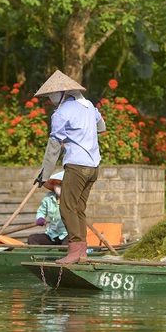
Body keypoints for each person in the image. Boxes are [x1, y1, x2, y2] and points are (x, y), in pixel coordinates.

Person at [33, 70, 106, 264]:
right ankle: (81, 252)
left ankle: (75, 250)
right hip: (93, 167)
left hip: (77, 165)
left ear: (62, 94)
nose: (51, 100)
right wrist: (82, 130)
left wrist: (44, 175)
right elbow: (101, 127)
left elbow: (54, 145)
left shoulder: (61, 113)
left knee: (66, 208)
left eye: (52, 97)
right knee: (78, 209)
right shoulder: (89, 105)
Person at [28, 171, 69, 246]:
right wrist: (40, 218)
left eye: (61, 184)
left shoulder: (71, 199)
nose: (58, 186)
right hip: (52, 234)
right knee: (32, 238)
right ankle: (38, 257)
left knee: (67, 245)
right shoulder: (48, 198)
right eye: (56, 184)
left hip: (67, 234)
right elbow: (42, 211)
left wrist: (63, 197)